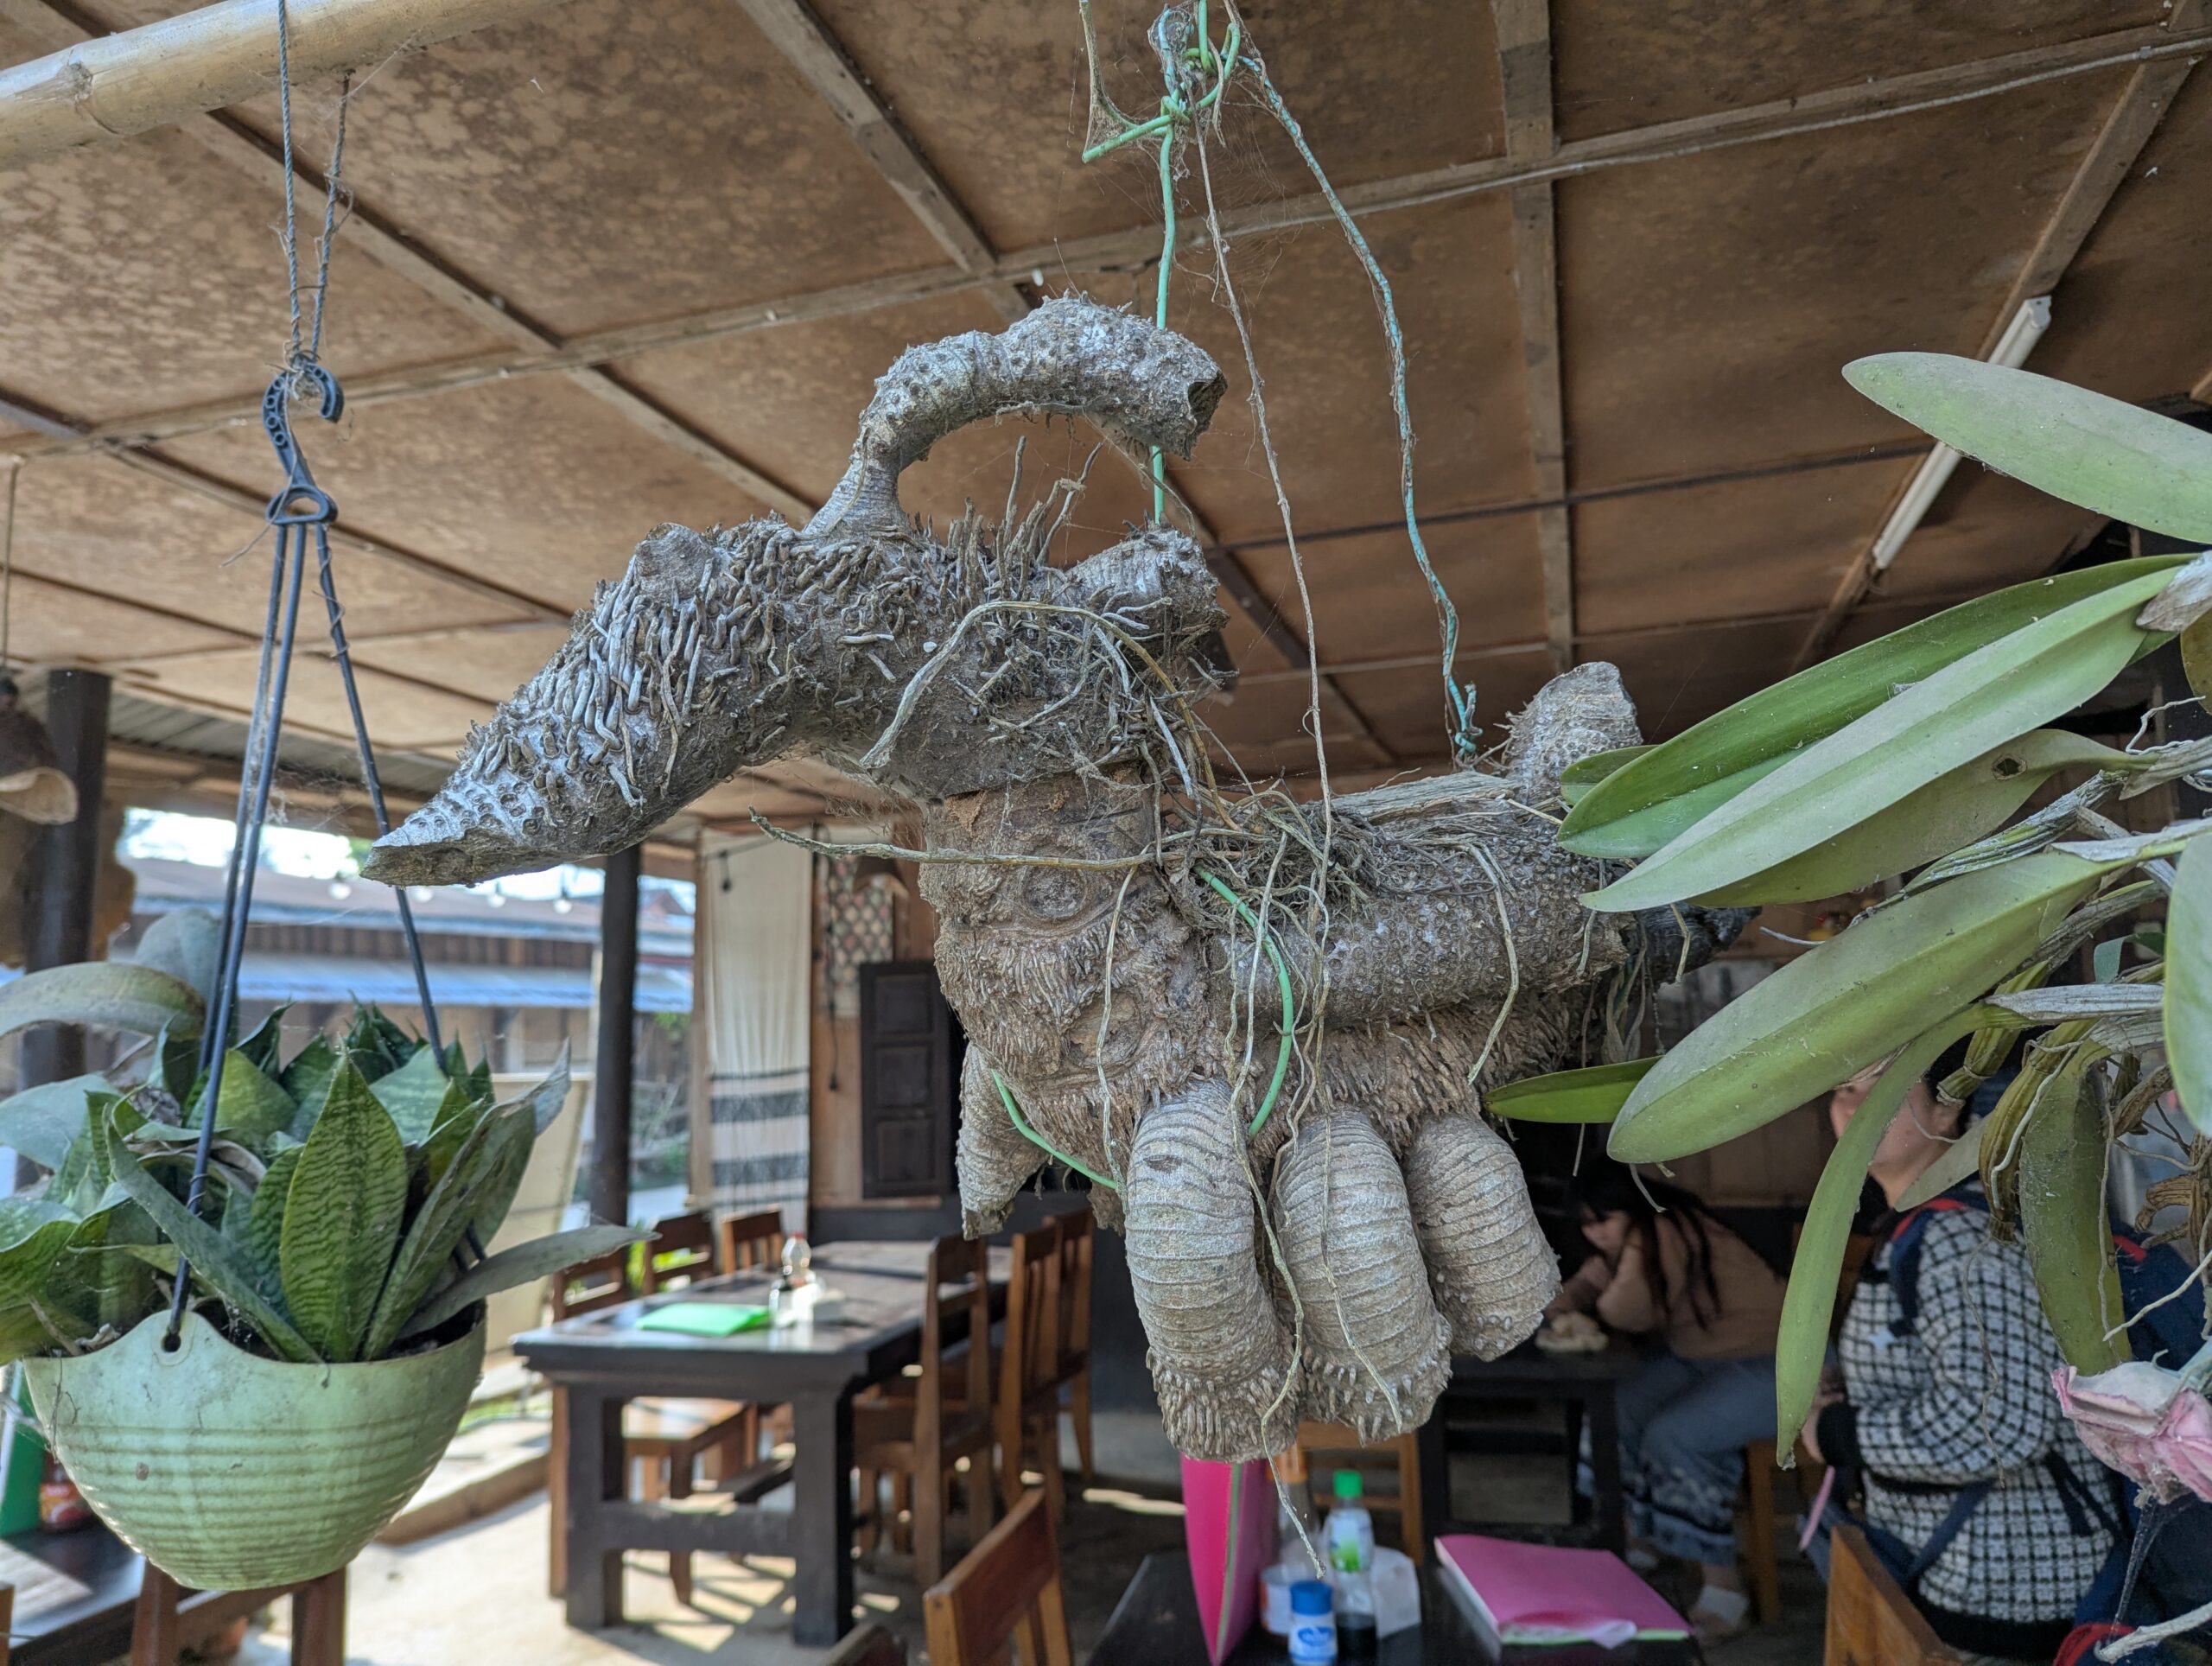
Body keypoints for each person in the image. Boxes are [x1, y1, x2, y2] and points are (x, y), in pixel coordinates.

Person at [1806, 1047, 2120, 1663]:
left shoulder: (1965, 1238)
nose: (1854, 1107)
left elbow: (2002, 1424)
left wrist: (1838, 1433)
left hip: (2005, 1578)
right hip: (1963, 1561)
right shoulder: (1921, 1223)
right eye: (1844, 1089)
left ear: (1947, 1110)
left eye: (1883, 1086)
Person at [1548, 1167, 1787, 1638]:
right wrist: (1574, 1297)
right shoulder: (1645, 1234)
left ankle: (1725, 1590)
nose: (1596, 1234)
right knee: (1617, 1408)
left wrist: (1597, 1287)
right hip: (1706, 1357)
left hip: (1780, 1362)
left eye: (1604, 1220)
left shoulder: (1661, 1229)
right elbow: (1582, 1290)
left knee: (1677, 1436)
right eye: (1588, 1225)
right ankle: (1635, 1538)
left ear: (1631, 1210)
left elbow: (1626, 1310)